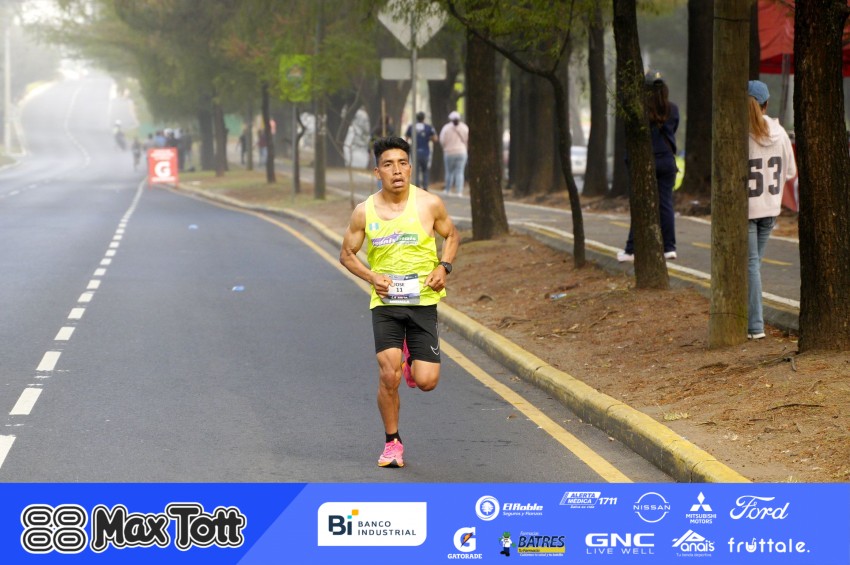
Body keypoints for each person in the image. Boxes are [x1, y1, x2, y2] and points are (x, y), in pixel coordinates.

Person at [339, 136, 459, 469]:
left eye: (402, 163)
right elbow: (347, 254)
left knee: (426, 381)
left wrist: (443, 266)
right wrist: (371, 276)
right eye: (388, 164)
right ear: (377, 171)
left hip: (423, 301)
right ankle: (392, 442)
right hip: (386, 304)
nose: (397, 170)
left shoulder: (429, 204)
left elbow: (452, 235)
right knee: (388, 375)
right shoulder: (364, 211)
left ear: (410, 168)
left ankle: (412, 362)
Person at [746, 80, 796, 340]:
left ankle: (755, 326)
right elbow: (790, 172)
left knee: (751, 266)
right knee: (753, 265)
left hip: (747, 209)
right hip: (771, 208)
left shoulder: (741, 133)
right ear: (766, 103)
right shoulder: (781, 133)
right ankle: (748, 319)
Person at [617, 70, 680, 262]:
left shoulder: (639, 111)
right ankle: (669, 248)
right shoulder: (673, 109)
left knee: (640, 204)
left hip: (645, 163)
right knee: (665, 204)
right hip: (666, 161)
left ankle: (631, 250)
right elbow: (673, 130)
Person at [405, 111, 439, 190]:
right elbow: (435, 139)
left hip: (414, 152)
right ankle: (425, 186)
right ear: (424, 118)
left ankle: (417, 186)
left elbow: (406, 139)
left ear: (417, 118)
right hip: (425, 152)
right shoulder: (429, 127)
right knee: (425, 170)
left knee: (416, 170)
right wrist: (428, 138)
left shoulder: (411, 127)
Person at [439, 111, 469, 197]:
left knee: (449, 172)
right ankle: (459, 191)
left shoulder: (446, 128)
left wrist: (445, 147)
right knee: (460, 172)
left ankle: (447, 190)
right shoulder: (464, 127)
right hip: (461, 152)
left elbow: (442, 140)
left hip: (449, 152)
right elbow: (467, 139)